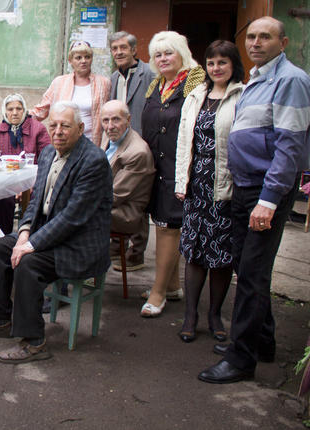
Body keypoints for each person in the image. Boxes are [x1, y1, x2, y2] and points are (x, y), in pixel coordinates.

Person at [199, 17, 310, 384]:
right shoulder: (256, 80)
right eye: (251, 37)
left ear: (283, 41)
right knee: (248, 270)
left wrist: (269, 199)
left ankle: (240, 358)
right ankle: (262, 342)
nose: (256, 43)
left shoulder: (290, 80)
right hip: (246, 187)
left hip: (266, 191)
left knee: (251, 274)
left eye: (265, 36)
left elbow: (290, 146)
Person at [0, 101, 112, 363]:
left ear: (80, 128)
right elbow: (35, 202)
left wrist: (30, 245)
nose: (58, 131)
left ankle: (34, 342)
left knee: (28, 263)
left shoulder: (93, 161)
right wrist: (23, 234)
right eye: (53, 125)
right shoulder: (48, 154)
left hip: (79, 244)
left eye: (65, 126)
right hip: (50, 235)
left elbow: (72, 217)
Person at [174, 40, 244, 343]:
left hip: (224, 187)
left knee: (221, 256)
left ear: (233, 65)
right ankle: (191, 315)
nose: (216, 68)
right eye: (212, 63)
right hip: (196, 187)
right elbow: (182, 142)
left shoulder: (242, 96)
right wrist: (181, 182)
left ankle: (215, 314)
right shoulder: (195, 96)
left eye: (222, 63)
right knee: (194, 252)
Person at [139, 31, 205, 317]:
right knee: (166, 224)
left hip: (180, 167)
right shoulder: (157, 84)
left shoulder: (196, 81)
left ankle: (158, 293)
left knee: (168, 227)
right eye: (158, 54)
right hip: (157, 167)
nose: (163, 58)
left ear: (182, 53)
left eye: (169, 53)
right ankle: (173, 286)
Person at [108, 30, 155, 272]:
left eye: (123, 48)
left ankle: (137, 253)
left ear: (134, 50)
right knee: (117, 194)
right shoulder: (114, 77)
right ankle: (116, 249)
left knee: (139, 200)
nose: (118, 52)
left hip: (141, 142)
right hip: (119, 142)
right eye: (114, 49)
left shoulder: (149, 74)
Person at [31, 40, 110, 147]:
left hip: (93, 143)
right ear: (70, 60)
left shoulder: (103, 83)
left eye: (87, 57)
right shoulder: (59, 82)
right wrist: (19, 115)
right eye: (78, 58)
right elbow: (41, 111)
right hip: (65, 142)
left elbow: (109, 113)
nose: (83, 61)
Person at [0, 93, 51, 234]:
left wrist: (32, 184)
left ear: (24, 110)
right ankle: (3, 238)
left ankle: (28, 236)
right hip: (6, 181)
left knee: (34, 199)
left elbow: (47, 159)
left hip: (34, 181)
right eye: (10, 109)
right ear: (4, 111)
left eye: (19, 109)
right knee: (2, 198)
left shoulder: (38, 129)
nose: (14, 113)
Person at [99, 100, 154, 239]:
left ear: (128, 120)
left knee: (72, 215)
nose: (110, 126)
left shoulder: (137, 152)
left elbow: (114, 196)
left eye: (116, 119)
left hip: (124, 213)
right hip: (108, 202)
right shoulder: (108, 136)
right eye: (105, 120)